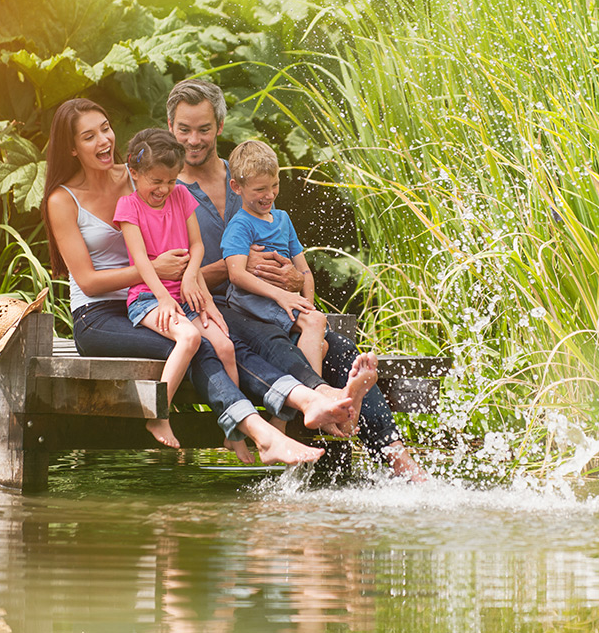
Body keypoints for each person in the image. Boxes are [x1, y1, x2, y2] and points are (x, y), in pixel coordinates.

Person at [41, 98, 365, 466]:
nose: (103, 140)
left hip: (164, 296)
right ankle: (263, 431)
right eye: (89, 136)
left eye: (105, 128)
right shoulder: (62, 199)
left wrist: (195, 279)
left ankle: (309, 399)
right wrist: (156, 269)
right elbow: (87, 280)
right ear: (71, 147)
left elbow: (180, 225)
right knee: (198, 346)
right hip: (100, 316)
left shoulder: (139, 173)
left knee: (225, 340)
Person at [166, 78, 427, 480]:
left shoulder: (248, 176)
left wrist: (291, 276)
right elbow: (169, 276)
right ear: (170, 127)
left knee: (339, 348)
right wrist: (237, 267)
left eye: (203, 128)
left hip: (266, 301)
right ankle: (318, 406)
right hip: (211, 309)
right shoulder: (164, 192)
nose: (194, 139)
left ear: (219, 125)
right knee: (271, 342)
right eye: (184, 129)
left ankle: (401, 464)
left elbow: (282, 249)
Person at [114, 128, 238, 449]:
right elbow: (141, 262)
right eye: (156, 181)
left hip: (183, 293)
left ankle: (232, 426)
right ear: (134, 172)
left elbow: (196, 247)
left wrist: (189, 277)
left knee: (225, 347)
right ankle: (157, 413)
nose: (164, 189)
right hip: (148, 298)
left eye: (170, 180)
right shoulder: (129, 207)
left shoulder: (182, 195)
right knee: (190, 336)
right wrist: (164, 298)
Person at [222, 140, 328, 378]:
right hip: (253, 302)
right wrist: (283, 296)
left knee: (321, 342)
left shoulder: (283, 219)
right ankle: (317, 396)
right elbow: (236, 274)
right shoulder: (240, 225)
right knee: (315, 322)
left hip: (281, 301)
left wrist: (306, 304)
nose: (269, 195)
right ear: (236, 187)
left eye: (275, 185)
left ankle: (286, 415)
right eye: (259, 189)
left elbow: (304, 272)